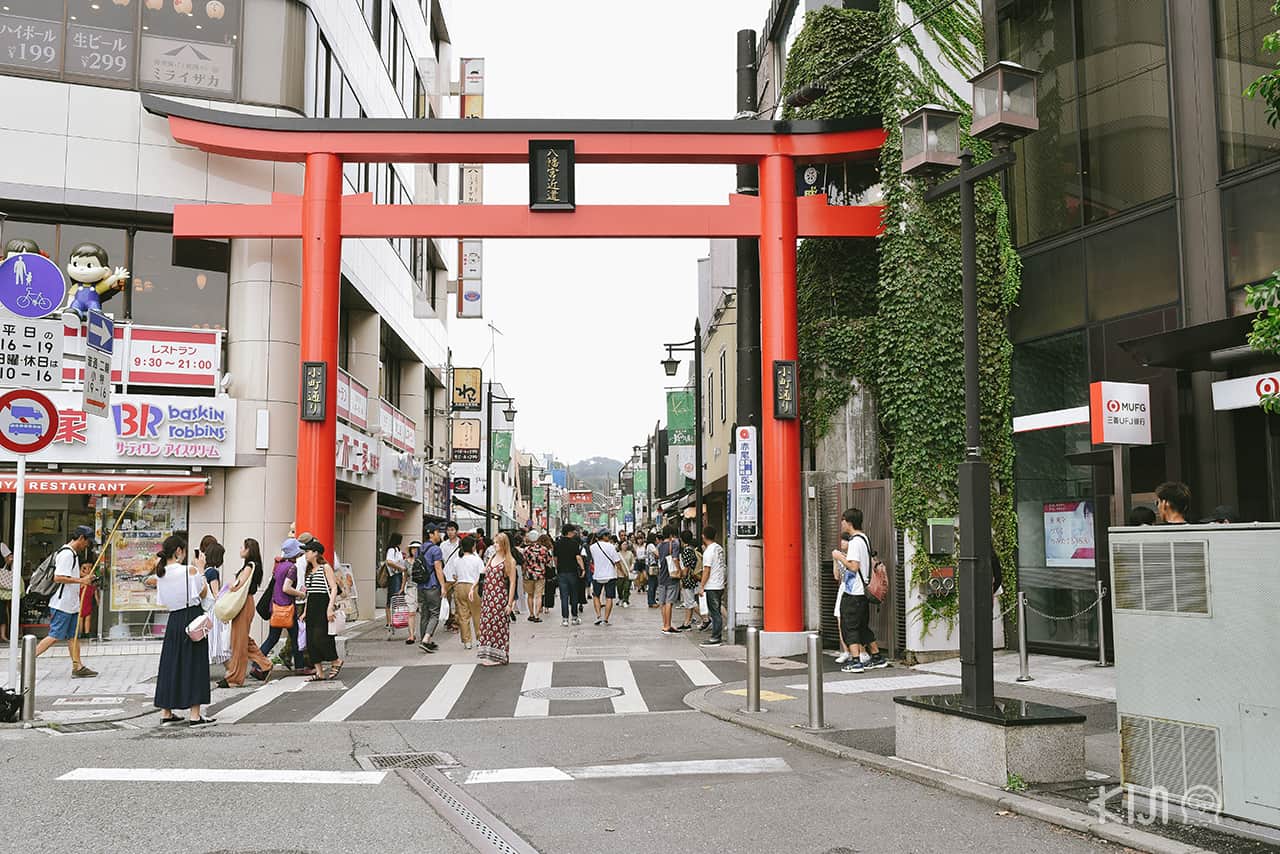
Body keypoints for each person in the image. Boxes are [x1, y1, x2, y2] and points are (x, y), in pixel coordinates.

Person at [147, 534, 213, 725]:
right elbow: (202, 592)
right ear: (178, 551)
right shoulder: (189, 570)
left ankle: (166, 712)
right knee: (196, 664)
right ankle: (195, 714)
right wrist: (201, 569)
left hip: (173, 619)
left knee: (170, 664)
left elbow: (163, 600)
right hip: (191, 616)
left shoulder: (161, 574)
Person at [34, 526, 99, 678]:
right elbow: (58, 577)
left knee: (73, 636)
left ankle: (78, 666)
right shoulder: (67, 554)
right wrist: (81, 580)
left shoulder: (73, 555)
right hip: (62, 604)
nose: (87, 546)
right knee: (55, 635)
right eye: (87, 542)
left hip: (71, 604)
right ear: (81, 538)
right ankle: (27, 658)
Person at [832, 508, 887, 673]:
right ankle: (877, 657)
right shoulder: (865, 538)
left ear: (848, 522)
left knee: (850, 626)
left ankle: (856, 662)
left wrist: (839, 556)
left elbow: (854, 567)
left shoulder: (855, 541)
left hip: (854, 592)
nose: (841, 524)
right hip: (864, 591)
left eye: (842, 521)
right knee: (862, 626)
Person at [219, 539, 272, 688]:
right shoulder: (253, 566)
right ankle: (265, 664)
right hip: (246, 603)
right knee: (241, 639)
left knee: (238, 642)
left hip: (243, 604)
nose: (240, 549)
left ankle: (234, 678)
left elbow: (238, 585)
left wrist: (228, 586)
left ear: (249, 550)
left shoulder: (249, 566)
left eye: (243, 547)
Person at [256, 538, 311, 676]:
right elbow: (286, 588)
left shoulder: (279, 566)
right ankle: (299, 667)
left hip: (275, 607)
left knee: (272, 638)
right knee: (296, 636)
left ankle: (257, 664)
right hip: (287, 608)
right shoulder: (292, 568)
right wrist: (300, 594)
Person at [301, 540, 343, 681]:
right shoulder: (308, 570)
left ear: (315, 553)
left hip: (323, 604)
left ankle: (335, 660)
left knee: (322, 637)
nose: (305, 554)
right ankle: (319, 672)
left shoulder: (325, 567)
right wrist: (305, 611)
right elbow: (309, 593)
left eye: (307, 551)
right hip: (312, 605)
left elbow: (334, 588)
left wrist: (330, 608)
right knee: (310, 639)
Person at [476, 532, 517, 666]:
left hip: (499, 597)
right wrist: (473, 588)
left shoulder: (509, 561)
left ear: (504, 544)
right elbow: (483, 574)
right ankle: (488, 654)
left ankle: (500, 656)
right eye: (494, 542)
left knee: (498, 626)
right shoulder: (492, 557)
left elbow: (512, 583)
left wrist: (510, 603)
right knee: (486, 625)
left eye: (497, 542)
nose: (495, 545)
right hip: (488, 597)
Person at [452, 535, 484, 649]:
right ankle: (480, 639)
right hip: (473, 587)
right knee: (477, 614)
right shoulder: (477, 560)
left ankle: (467, 641)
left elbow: (454, 575)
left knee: (463, 615)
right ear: (473, 547)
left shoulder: (457, 560)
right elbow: (482, 574)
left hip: (460, 586)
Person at [417, 526, 445, 653]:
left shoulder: (419, 549)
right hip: (432, 585)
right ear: (431, 534)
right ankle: (426, 639)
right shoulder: (436, 549)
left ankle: (425, 640)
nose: (439, 535)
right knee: (434, 613)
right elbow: (438, 569)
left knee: (424, 614)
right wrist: (443, 586)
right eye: (437, 532)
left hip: (421, 586)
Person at [698, 526, 726, 647]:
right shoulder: (719, 548)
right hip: (719, 583)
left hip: (712, 585)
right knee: (717, 610)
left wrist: (702, 586)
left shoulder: (708, 551)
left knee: (714, 612)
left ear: (703, 536)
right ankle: (716, 635)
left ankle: (716, 637)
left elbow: (706, 570)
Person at [553, 525, 585, 626]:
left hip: (561, 572)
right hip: (572, 572)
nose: (574, 533)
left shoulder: (557, 543)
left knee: (564, 596)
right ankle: (574, 618)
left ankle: (565, 619)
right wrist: (583, 568)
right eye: (573, 532)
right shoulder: (574, 543)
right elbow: (578, 557)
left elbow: (555, 558)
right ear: (569, 532)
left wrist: (558, 567)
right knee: (574, 595)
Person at [589, 530, 622, 626]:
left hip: (597, 575)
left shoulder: (592, 547)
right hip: (610, 575)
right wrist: (621, 571)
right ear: (604, 536)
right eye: (608, 535)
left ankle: (598, 616)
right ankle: (606, 619)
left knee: (596, 596)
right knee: (609, 597)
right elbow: (617, 561)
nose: (609, 537)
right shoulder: (611, 546)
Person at [521, 530, 551, 622]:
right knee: (539, 596)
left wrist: (524, 571)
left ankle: (531, 614)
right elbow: (548, 562)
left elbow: (524, 563)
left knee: (530, 595)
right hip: (540, 575)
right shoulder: (544, 549)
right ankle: (537, 616)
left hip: (528, 575)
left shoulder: (526, 550)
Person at [383, 532, 407, 638]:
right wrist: (400, 567)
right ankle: (389, 621)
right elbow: (389, 561)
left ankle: (393, 620)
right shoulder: (392, 550)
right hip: (394, 575)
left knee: (396, 597)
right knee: (392, 598)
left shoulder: (396, 549)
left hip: (397, 575)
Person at [676, 530, 701, 631]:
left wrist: (681, 576)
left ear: (682, 539)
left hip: (688, 579)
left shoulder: (686, 551)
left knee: (690, 602)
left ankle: (706, 619)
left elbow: (686, 568)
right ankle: (687, 622)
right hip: (693, 578)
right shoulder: (692, 549)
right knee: (688, 602)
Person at [440, 521, 462, 631]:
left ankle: (456, 623)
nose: (450, 532)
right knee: (446, 601)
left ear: (456, 531)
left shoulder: (461, 544)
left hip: (458, 577)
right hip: (446, 577)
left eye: (452, 530)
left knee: (458, 602)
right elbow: (441, 561)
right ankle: (449, 620)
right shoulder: (443, 545)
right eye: (448, 530)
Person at [403, 540, 421, 645]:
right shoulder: (406, 561)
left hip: (421, 588)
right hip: (410, 588)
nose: (415, 550)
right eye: (413, 548)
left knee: (423, 613)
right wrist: (402, 588)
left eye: (417, 548)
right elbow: (405, 576)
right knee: (411, 612)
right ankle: (411, 635)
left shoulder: (422, 560)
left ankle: (423, 634)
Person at [0, 539, 13, 644]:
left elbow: (10, 559)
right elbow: (10, 559)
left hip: (1, 583)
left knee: (2, 610)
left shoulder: (2, 546)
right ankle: (3, 635)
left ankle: (3, 635)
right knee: (2, 610)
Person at [617, 536, 634, 608]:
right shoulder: (617, 554)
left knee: (627, 588)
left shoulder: (630, 553)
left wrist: (631, 567)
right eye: (623, 544)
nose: (625, 546)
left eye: (626, 544)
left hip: (628, 573)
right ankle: (621, 598)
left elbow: (633, 562)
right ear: (620, 546)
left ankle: (625, 600)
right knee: (619, 588)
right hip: (620, 574)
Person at [645, 533, 661, 608]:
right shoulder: (651, 545)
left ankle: (653, 601)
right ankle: (651, 602)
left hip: (652, 566)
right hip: (651, 566)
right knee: (652, 584)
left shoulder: (650, 545)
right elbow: (657, 554)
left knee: (654, 584)